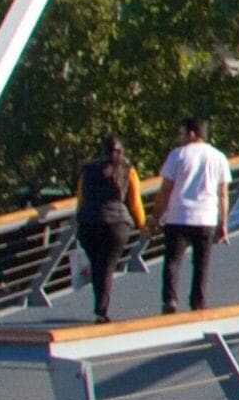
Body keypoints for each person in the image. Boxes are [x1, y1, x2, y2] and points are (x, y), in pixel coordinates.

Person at [153, 116, 230, 314]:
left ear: (191, 133)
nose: (180, 138)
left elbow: (166, 189)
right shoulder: (219, 157)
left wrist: (155, 217)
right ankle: (198, 302)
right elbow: (223, 194)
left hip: (178, 216)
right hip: (206, 217)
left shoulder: (178, 155)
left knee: (172, 261)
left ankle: (170, 300)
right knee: (201, 263)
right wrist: (224, 223)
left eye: (181, 133)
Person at [71, 134, 143, 324]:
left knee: (97, 266)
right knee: (107, 267)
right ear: (122, 151)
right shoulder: (128, 171)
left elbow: (80, 198)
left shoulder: (87, 170)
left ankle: (99, 308)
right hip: (116, 225)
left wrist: (80, 219)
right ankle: (101, 310)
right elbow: (135, 203)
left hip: (88, 223)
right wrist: (143, 225)